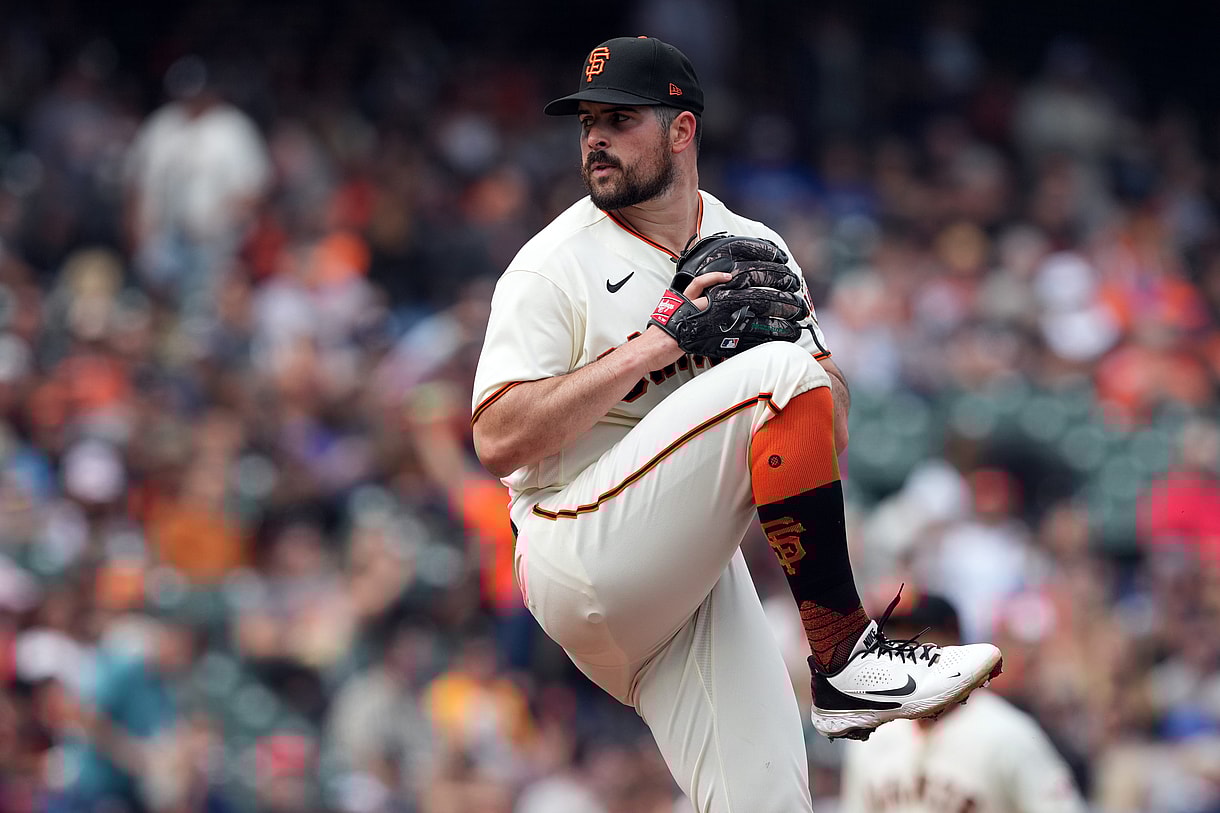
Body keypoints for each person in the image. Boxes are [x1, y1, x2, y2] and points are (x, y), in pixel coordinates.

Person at [471, 36, 1001, 812]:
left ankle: (841, 670)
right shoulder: (553, 263)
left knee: (773, 801)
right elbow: (496, 438)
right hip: (575, 543)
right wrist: (655, 346)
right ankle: (846, 655)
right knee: (777, 377)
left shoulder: (755, 246)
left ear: (681, 130)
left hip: (685, 575)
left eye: (619, 119)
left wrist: (794, 356)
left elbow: (830, 424)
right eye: (587, 121)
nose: (595, 139)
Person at [839, 589, 1086, 813]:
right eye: (896, 640)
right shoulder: (869, 735)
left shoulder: (1008, 734)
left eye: (917, 639)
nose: (905, 651)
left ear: (955, 645)